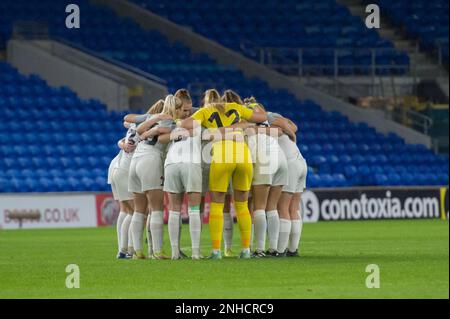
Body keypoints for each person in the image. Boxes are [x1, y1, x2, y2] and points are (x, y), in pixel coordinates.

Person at [180, 90, 267, 259]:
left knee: (217, 205)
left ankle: (216, 251)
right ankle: (246, 250)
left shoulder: (206, 110)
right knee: (242, 205)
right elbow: (262, 118)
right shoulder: (236, 107)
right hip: (243, 155)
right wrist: (242, 123)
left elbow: (185, 125)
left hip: (221, 156)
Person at [157, 90, 203, 260]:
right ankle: (195, 252)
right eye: (185, 109)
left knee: (174, 210)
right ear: (178, 108)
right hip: (190, 163)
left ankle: (176, 252)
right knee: (193, 209)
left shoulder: (169, 122)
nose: (188, 112)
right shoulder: (199, 119)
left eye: (190, 109)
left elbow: (161, 138)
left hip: (171, 164)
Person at [127, 97, 173, 259]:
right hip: (151, 159)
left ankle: (137, 251)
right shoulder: (170, 119)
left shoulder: (149, 117)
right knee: (156, 207)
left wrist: (151, 125)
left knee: (139, 209)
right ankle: (157, 250)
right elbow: (166, 132)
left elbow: (131, 124)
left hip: (135, 160)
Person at [243, 97, 288, 258]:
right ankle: (274, 248)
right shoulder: (266, 122)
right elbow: (284, 129)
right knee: (272, 206)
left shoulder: (247, 123)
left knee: (259, 206)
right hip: (281, 159)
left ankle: (260, 249)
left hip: (265, 158)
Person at [268, 111, 307, 257]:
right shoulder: (272, 118)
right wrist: (289, 129)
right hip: (301, 161)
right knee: (294, 208)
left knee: (282, 207)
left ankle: (280, 250)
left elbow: (289, 126)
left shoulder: (266, 117)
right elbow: (293, 126)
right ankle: (293, 249)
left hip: (291, 163)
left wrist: (288, 130)